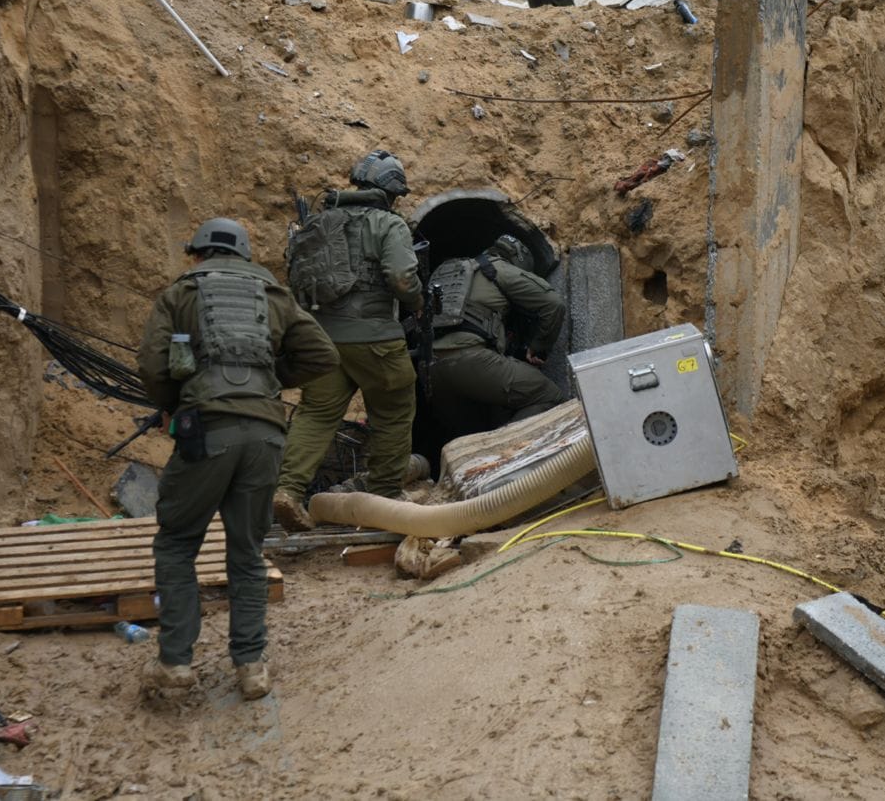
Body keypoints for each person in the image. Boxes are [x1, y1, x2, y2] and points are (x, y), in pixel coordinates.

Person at [136, 217, 338, 702]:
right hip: (266, 433)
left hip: (206, 431)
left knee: (177, 543)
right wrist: (266, 377)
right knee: (247, 552)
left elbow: (152, 366)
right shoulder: (273, 294)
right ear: (245, 255)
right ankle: (251, 667)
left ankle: (175, 662)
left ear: (198, 253)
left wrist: (173, 404)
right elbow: (322, 355)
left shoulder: (180, 293)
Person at [273, 150, 423, 531]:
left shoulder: (322, 221)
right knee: (394, 408)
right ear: (391, 192)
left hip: (322, 340)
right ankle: (384, 495)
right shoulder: (388, 223)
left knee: (316, 413)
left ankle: (288, 490)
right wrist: (418, 303)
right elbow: (402, 278)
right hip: (375, 339)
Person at [426, 233, 566, 434]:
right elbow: (554, 304)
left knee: (470, 435)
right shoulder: (499, 268)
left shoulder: (456, 272)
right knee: (549, 395)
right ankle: (506, 447)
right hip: (470, 359)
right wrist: (538, 348)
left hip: (430, 369)